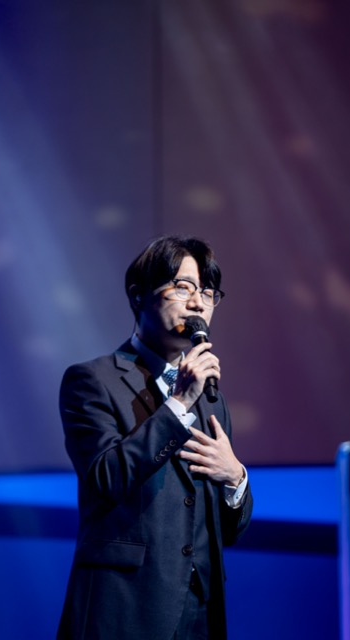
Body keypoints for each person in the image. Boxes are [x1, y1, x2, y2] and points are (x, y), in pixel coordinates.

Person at [57, 235, 253, 640]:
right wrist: (179, 403)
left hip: (199, 612)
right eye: (182, 287)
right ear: (139, 295)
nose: (197, 303)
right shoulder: (92, 381)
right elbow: (106, 477)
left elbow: (227, 531)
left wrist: (235, 479)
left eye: (208, 293)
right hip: (124, 610)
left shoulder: (212, 400)